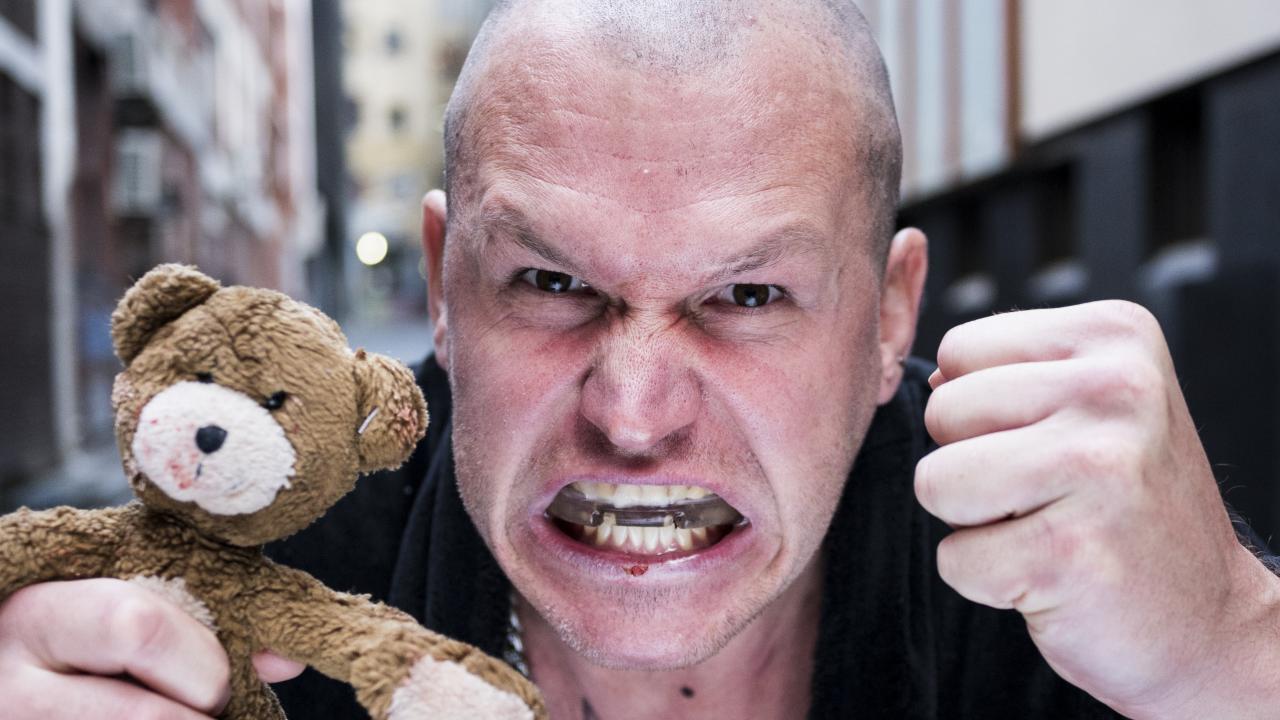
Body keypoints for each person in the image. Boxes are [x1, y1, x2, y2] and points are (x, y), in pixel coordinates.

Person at [3, 1, 1277, 718]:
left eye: (747, 295)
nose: (632, 413)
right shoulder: (252, 589)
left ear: (891, 319)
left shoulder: (1059, 605)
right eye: (550, 283)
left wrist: (1228, 648)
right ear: (443, 289)